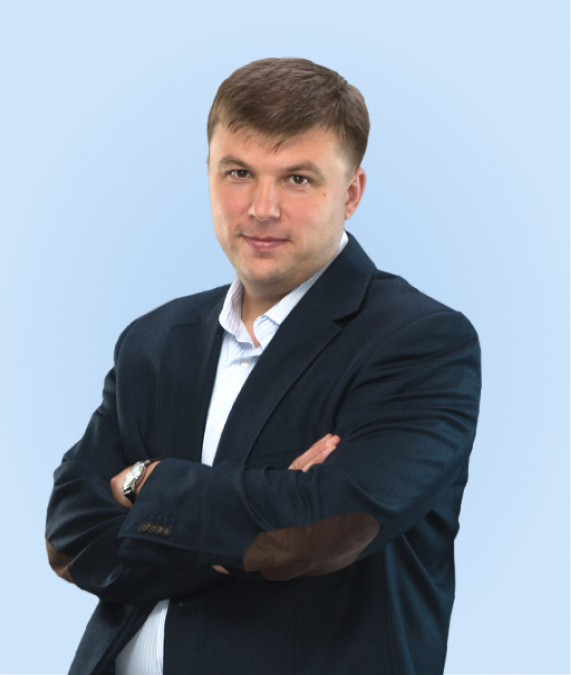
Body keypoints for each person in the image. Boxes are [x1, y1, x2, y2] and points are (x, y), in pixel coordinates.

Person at [46, 57, 481, 675]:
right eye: (239, 173)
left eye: (298, 179)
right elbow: (69, 533)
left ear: (351, 193)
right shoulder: (154, 340)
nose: (262, 207)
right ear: (208, 173)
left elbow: (324, 528)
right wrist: (258, 522)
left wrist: (143, 483)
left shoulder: (420, 342)